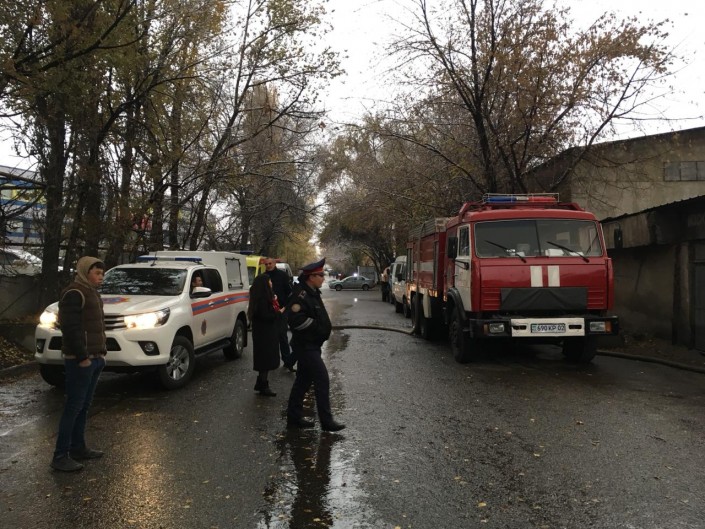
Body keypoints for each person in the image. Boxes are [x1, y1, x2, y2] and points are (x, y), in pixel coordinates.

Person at [50, 256, 107, 472]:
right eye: (97, 273)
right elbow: (71, 328)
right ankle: (60, 456)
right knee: (73, 406)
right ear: (85, 272)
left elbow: (97, 327)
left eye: (102, 273)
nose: (101, 277)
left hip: (95, 358)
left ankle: (78, 447)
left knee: (83, 406)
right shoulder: (74, 293)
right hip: (79, 360)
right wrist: (82, 356)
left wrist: (101, 354)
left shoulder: (92, 292)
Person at [286, 258, 345, 432]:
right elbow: (296, 321)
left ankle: (294, 418)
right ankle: (326, 421)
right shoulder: (300, 295)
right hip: (306, 346)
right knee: (322, 378)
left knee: (303, 381)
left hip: (312, 345)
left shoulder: (312, 292)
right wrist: (318, 328)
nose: (323, 278)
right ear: (311, 277)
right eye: (320, 275)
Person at [247, 273, 283, 396]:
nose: (271, 283)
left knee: (264, 360)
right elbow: (266, 316)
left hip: (263, 333)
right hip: (265, 334)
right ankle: (263, 386)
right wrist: (278, 313)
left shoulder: (260, 296)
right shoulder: (262, 299)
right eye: (269, 281)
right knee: (265, 360)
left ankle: (261, 383)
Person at [263, 257, 295, 371]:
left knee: (282, 335)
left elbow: (290, 293)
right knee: (270, 337)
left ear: (274, 263)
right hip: (269, 311)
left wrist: (285, 307)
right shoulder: (263, 277)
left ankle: (287, 362)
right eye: (266, 264)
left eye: (270, 263)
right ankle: (272, 361)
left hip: (282, 309)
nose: (268, 266)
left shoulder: (283, 276)